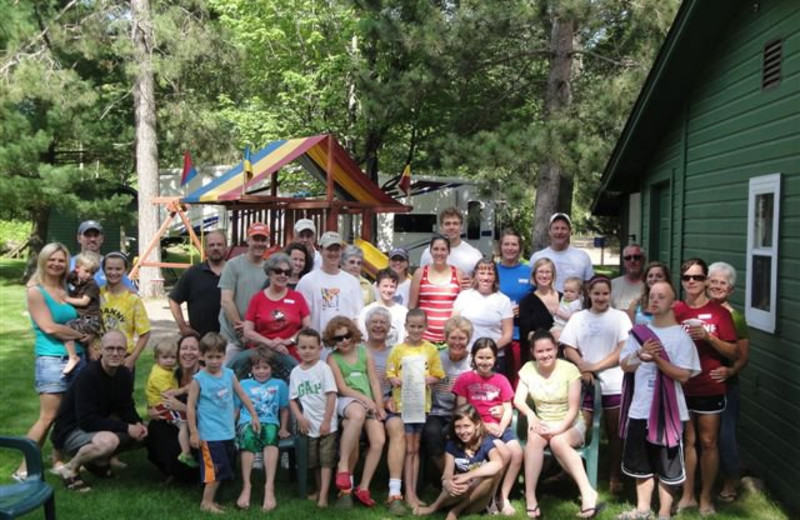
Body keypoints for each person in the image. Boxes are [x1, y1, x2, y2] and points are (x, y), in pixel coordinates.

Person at [618, 281, 701, 520]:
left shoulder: (681, 338)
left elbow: (683, 375)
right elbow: (625, 366)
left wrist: (656, 359)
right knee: (640, 464)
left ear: (673, 303)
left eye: (661, 297)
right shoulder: (638, 334)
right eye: (652, 296)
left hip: (669, 411)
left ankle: (664, 512)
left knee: (667, 465)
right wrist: (638, 354)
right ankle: (643, 509)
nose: (654, 300)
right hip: (640, 407)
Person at [514, 330, 604, 519]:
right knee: (533, 439)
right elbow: (518, 400)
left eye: (549, 350)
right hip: (543, 421)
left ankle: (587, 492)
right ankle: (531, 497)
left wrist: (559, 429)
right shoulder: (528, 369)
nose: (545, 355)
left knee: (558, 442)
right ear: (533, 352)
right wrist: (531, 415)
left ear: (556, 349)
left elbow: (573, 409)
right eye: (540, 351)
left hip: (570, 423)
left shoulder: (569, 370)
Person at [16, 243, 86, 482]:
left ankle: (57, 460)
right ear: (43, 261)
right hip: (52, 360)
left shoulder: (67, 288)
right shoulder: (36, 291)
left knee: (67, 415)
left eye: (61, 260)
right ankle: (24, 467)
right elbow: (48, 327)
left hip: (77, 359)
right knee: (48, 416)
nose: (56, 264)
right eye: (52, 260)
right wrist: (80, 335)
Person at [673, 258, 738, 516]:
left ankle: (705, 497)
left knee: (709, 442)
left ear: (706, 281)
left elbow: (733, 352)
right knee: (688, 441)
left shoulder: (720, 313)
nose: (692, 282)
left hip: (710, 386)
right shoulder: (675, 310)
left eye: (698, 277)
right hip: (682, 386)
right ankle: (687, 495)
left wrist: (709, 337)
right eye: (687, 277)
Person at [51, 330, 148, 492]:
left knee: (146, 431)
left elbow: (126, 406)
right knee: (108, 441)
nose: (115, 353)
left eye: (120, 349)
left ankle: (97, 463)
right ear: (101, 350)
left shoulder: (124, 374)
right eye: (110, 348)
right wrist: (126, 428)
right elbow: (87, 420)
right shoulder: (88, 376)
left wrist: (137, 422)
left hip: (94, 427)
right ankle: (71, 468)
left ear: (126, 351)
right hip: (71, 430)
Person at [561, 275, 632, 494]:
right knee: (581, 428)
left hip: (614, 382)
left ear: (610, 294)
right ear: (588, 294)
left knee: (615, 432)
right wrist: (583, 366)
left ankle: (615, 475)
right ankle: (573, 472)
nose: (601, 297)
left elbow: (623, 349)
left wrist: (595, 366)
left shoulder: (620, 318)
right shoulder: (578, 318)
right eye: (596, 293)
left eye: (605, 293)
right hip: (585, 383)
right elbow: (567, 347)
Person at [186, 332, 260, 514]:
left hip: (228, 432)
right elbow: (190, 407)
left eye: (218, 357)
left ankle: (212, 500)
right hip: (209, 435)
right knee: (215, 471)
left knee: (223, 469)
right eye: (210, 357)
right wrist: (194, 432)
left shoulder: (229, 374)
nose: (214, 361)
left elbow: (242, 395)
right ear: (202, 356)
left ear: (224, 356)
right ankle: (206, 503)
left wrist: (254, 415)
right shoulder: (199, 380)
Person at [452, 338, 522, 516]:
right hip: (478, 428)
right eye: (480, 357)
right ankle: (490, 497)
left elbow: (508, 408)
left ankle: (503, 497)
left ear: (495, 359)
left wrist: (501, 426)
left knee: (517, 453)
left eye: (488, 358)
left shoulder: (501, 380)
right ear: (473, 358)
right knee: (504, 454)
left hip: (500, 427)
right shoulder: (465, 379)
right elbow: (461, 411)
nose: (484, 362)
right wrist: (484, 425)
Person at [386, 308, 445, 508]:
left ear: (426, 327)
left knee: (415, 449)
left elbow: (438, 374)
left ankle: (412, 494)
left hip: (421, 405)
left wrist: (427, 379)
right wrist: (394, 379)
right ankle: (407, 493)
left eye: (420, 326)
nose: (416, 330)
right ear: (406, 327)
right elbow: (390, 373)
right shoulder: (398, 350)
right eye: (413, 326)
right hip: (403, 405)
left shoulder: (430, 349)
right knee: (408, 448)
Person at [325, 317, 386, 507]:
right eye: (338, 338)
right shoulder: (332, 358)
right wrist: (366, 400)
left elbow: (374, 381)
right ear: (332, 341)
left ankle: (364, 487)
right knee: (357, 414)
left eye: (347, 336)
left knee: (378, 440)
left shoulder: (363, 352)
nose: (343, 341)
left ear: (354, 334)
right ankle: (343, 466)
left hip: (369, 401)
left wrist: (379, 405)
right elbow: (342, 388)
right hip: (348, 400)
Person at [707, 262, 750, 504]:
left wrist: (730, 370)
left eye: (722, 283)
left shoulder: (736, 317)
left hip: (726, 386)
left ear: (730, 290)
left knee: (725, 435)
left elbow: (743, 357)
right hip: (697, 383)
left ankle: (730, 482)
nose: (716, 286)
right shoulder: (696, 311)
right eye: (713, 281)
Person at [413, 405, 503, 520]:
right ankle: (434, 507)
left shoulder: (485, 441)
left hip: (476, 499)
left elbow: (498, 463)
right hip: (457, 494)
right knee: (454, 481)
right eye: (458, 427)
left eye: (466, 426)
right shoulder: (452, 444)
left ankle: (455, 511)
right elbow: (447, 472)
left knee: (491, 474)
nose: (462, 431)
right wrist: (446, 482)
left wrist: (467, 476)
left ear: (477, 424)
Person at [362, 307, 409, 515]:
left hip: (388, 405)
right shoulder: (358, 350)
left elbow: (399, 383)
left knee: (397, 426)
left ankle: (394, 491)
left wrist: (391, 398)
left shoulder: (395, 353)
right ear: (367, 326)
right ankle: (354, 487)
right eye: (375, 322)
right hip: (365, 406)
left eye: (383, 323)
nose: (379, 326)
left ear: (389, 327)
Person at [289, 328, 338, 508]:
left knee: (326, 460)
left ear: (320, 348)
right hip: (308, 426)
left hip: (327, 425)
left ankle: (324, 495)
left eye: (311, 347)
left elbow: (332, 395)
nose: (307, 351)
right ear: (297, 349)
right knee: (314, 461)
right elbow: (292, 400)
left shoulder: (323, 369)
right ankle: (318, 490)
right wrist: (300, 418)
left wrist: (326, 421)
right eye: (303, 347)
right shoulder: (296, 372)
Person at [235, 348, 290, 511]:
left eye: (265, 367)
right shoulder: (244, 384)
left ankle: (269, 487)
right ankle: (246, 486)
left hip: (270, 421)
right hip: (248, 421)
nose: (261, 371)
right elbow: (237, 408)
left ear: (272, 368)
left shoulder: (279, 385)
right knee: (249, 436)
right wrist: (232, 426)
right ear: (251, 370)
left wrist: (284, 428)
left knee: (271, 435)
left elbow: (284, 409)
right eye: (257, 368)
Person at [146, 332, 202, 483]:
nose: (188, 352)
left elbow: (213, 414)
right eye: (184, 348)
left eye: (193, 349)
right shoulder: (171, 373)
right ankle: (170, 470)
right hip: (172, 420)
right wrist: (151, 410)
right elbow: (155, 394)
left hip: (199, 426)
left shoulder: (205, 377)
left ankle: (190, 472)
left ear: (201, 353)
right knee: (155, 429)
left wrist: (184, 407)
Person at [423, 316, 473, 475]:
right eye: (453, 338)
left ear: (468, 339)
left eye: (462, 338)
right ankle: (449, 477)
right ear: (445, 338)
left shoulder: (472, 361)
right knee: (431, 433)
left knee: (452, 433)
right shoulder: (436, 357)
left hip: (462, 412)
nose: (457, 342)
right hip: (437, 411)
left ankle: (460, 476)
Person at [242, 252, 310, 366]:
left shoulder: (297, 297)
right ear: (269, 272)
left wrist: (288, 341)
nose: (283, 275)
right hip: (262, 359)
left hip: (292, 356)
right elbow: (248, 331)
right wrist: (271, 344)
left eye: (287, 272)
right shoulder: (257, 299)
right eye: (278, 271)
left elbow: (307, 327)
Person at [452, 259, 513, 376]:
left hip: (493, 359)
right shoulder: (464, 296)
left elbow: (507, 335)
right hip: (466, 356)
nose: (486, 277)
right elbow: (452, 325)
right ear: (475, 274)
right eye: (482, 273)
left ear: (495, 276)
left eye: (490, 273)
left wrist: (489, 350)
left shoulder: (503, 300)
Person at [219, 222, 269, 365]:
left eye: (263, 239)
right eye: (255, 239)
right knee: (227, 378)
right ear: (248, 240)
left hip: (258, 339)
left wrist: (252, 333)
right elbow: (226, 301)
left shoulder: (270, 269)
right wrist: (242, 330)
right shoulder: (233, 265)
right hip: (232, 338)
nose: (259, 243)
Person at [296, 231, 363, 333]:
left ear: (341, 251)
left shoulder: (352, 282)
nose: (333, 253)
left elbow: (357, 316)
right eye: (329, 249)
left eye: (336, 249)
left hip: (345, 344)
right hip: (317, 345)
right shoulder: (307, 281)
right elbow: (301, 317)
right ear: (320, 249)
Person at [169, 230, 228, 338]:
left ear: (226, 248)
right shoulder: (193, 273)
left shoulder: (234, 272)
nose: (215, 248)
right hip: (200, 340)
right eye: (211, 245)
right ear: (205, 249)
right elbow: (173, 300)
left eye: (219, 244)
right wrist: (182, 327)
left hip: (229, 339)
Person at [99, 252, 151, 369]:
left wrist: (133, 357)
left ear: (125, 270)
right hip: (99, 353)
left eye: (118, 269)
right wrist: (91, 349)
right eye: (109, 269)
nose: (113, 272)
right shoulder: (96, 295)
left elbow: (145, 333)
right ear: (103, 270)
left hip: (123, 355)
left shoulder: (133, 299)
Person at [409, 235, 464, 343]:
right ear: (430, 251)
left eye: (443, 249)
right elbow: (412, 306)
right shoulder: (420, 273)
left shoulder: (458, 274)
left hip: (451, 339)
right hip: (424, 338)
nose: (439, 253)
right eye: (436, 249)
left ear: (449, 252)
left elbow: (464, 307)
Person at [496, 229, 532, 386]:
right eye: (506, 244)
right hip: (496, 333)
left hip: (519, 334)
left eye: (514, 244)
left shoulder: (529, 272)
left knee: (518, 377)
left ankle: (517, 408)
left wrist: (523, 310)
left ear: (520, 248)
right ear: (500, 247)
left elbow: (538, 301)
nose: (510, 248)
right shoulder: (492, 270)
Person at [529, 213, 594, 292]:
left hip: (575, 304)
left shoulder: (583, 257)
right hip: (544, 304)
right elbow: (531, 286)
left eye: (563, 228)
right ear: (549, 231)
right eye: (556, 228)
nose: (559, 232)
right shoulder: (537, 257)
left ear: (570, 231)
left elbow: (589, 287)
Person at [62, 251, 102, 375]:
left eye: (93, 273)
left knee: (66, 328)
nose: (90, 275)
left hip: (92, 319)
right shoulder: (72, 276)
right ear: (77, 268)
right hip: (82, 318)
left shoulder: (92, 285)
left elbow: (84, 302)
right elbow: (61, 279)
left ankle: (73, 357)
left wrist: (66, 299)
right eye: (87, 271)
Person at [419, 207, 483, 278]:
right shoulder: (428, 253)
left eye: (455, 223)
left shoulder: (474, 254)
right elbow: (422, 279)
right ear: (441, 227)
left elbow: (480, 283)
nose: (451, 227)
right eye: (447, 224)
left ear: (461, 226)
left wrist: (472, 283)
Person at [72, 220, 137, 290]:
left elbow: (131, 291)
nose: (92, 239)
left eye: (96, 235)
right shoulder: (68, 263)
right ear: (79, 238)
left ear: (102, 238)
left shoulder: (111, 265)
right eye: (88, 235)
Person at [518, 258, 557, 366]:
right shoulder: (526, 302)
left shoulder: (564, 298)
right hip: (539, 358)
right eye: (541, 272)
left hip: (563, 356)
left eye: (548, 272)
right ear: (534, 275)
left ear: (553, 275)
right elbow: (527, 334)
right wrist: (552, 336)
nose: (544, 276)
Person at [358, 268, 408, 348]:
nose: (388, 290)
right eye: (385, 286)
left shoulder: (403, 312)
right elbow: (363, 336)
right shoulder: (367, 311)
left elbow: (403, 337)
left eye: (392, 286)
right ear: (377, 286)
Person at [626, 262, 671, 326]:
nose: (654, 279)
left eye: (659, 276)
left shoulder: (673, 305)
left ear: (666, 279)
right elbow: (629, 330)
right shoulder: (636, 304)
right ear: (646, 280)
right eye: (650, 276)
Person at [611, 244, 646, 311]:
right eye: (628, 258)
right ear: (623, 261)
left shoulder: (652, 285)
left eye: (636, 257)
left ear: (643, 260)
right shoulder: (612, 285)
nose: (632, 261)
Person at [550, 276, 584, 341]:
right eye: (565, 291)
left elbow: (573, 318)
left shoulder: (576, 304)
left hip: (566, 326)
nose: (568, 293)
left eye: (572, 292)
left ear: (578, 293)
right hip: (558, 323)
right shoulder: (564, 299)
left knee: (552, 337)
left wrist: (560, 313)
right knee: (550, 336)